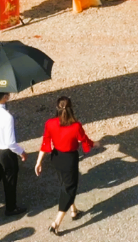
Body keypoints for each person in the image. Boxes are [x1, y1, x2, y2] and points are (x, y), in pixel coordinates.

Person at [36, 96, 95, 235]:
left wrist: (39, 162)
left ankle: (74, 211)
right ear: (71, 109)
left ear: (57, 108)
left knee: (65, 185)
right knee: (69, 189)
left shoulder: (50, 123)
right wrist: (93, 144)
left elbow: (45, 142)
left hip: (56, 157)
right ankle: (56, 223)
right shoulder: (76, 126)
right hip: (70, 159)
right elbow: (84, 140)